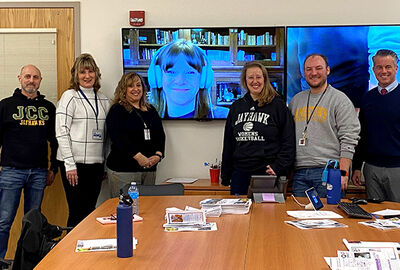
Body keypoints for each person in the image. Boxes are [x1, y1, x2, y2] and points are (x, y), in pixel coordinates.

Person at [0, 65, 58, 262]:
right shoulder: (5, 105)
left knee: (32, 223)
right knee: (4, 221)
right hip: (11, 172)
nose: (31, 80)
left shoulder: (48, 108)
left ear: (40, 80)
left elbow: (55, 141)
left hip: (39, 173)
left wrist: (53, 169)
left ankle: (25, 262)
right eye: (27, 76)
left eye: (35, 77)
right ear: (19, 79)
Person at [288, 53, 360, 197]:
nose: (313, 73)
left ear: (327, 70)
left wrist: (343, 173)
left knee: (329, 217)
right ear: (303, 72)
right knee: (297, 218)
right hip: (299, 174)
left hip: (328, 173)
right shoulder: (296, 101)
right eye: (308, 69)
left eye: (318, 68)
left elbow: (349, 139)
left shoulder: (340, 100)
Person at [221, 61, 295, 195]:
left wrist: (278, 167)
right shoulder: (236, 107)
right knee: (239, 215)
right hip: (240, 174)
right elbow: (229, 143)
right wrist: (225, 175)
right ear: (245, 80)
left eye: (258, 77)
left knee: (267, 215)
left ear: (265, 79)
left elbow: (288, 141)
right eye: (250, 77)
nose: (255, 81)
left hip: (267, 174)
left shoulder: (278, 106)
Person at [56, 53, 110, 227]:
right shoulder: (69, 96)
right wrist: (69, 165)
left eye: (91, 71)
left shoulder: (103, 99)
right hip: (74, 164)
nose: (87, 76)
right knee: (77, 210)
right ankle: (69, 253)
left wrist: (104, 164)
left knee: (89, 210)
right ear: (76, 75)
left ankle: (86, 252)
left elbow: (107, 135)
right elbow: (61, 131)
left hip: (95, 165)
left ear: (96, 73)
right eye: (82, 72)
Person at [106, 72, 165, 197]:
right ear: (123, 90)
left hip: (149, 170)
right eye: (130, 86)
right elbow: (118, 138)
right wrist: (139, 157)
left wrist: (158, 155)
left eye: (138, 85)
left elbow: (160, 135)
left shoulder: (151, 110)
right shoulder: (117, 110)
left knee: (147, 210)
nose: (136, 89)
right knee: (125, 211)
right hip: (123, 170)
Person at [352, 49, 400, 202]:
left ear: (396, 68)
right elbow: (362, 135)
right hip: (371, 169)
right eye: (379, 67)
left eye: (388, 67)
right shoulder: (368, 98)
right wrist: (357, 167)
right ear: (373, 70)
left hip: (397, 169)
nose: (383, 71)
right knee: (375, 218)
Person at [148, 39, 229, 119]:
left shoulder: (225, 116)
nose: (180, 81)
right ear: (157, 77)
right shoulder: (146, 119)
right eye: (171, 72)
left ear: (203, 78)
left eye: (190, 73)